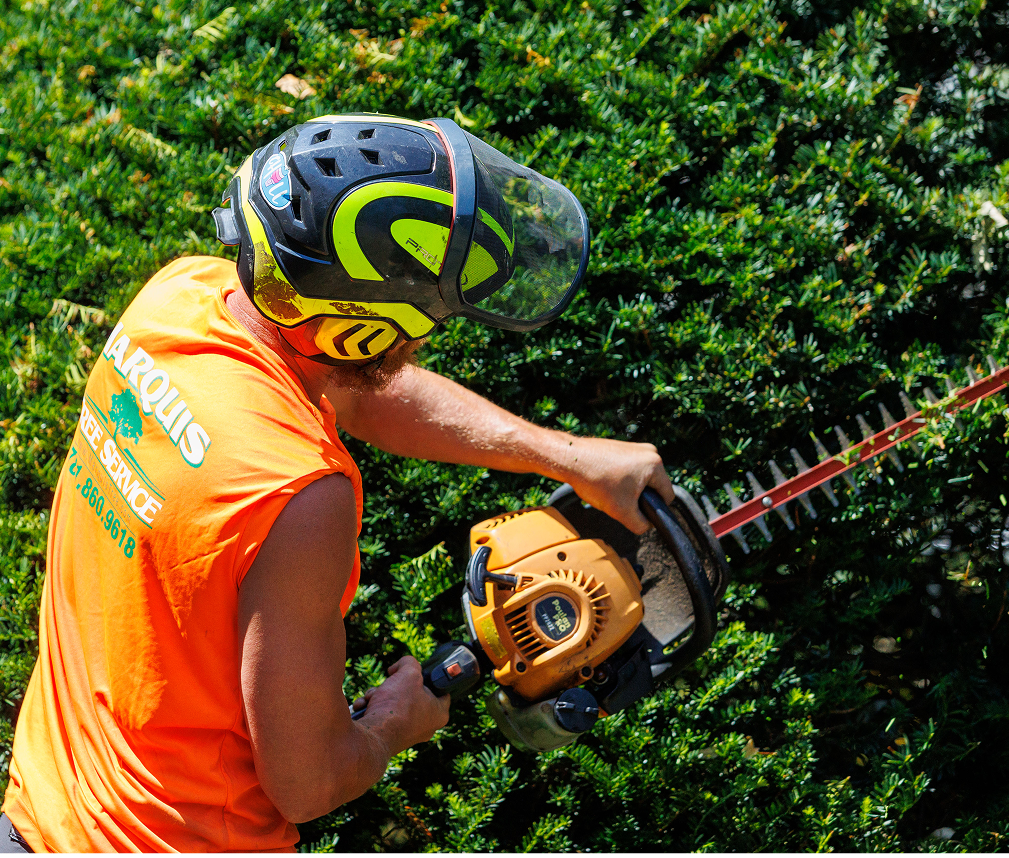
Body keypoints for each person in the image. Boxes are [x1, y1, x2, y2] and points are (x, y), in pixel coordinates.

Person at [1, 114, 674, 853]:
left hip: (37, 811)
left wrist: (565, 456)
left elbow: (356, 390)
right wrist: (392, 722)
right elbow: (307, 780)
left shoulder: (180, 300)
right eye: (425, 315)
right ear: (360, 325)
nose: (426, 338)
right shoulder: (298, 495)